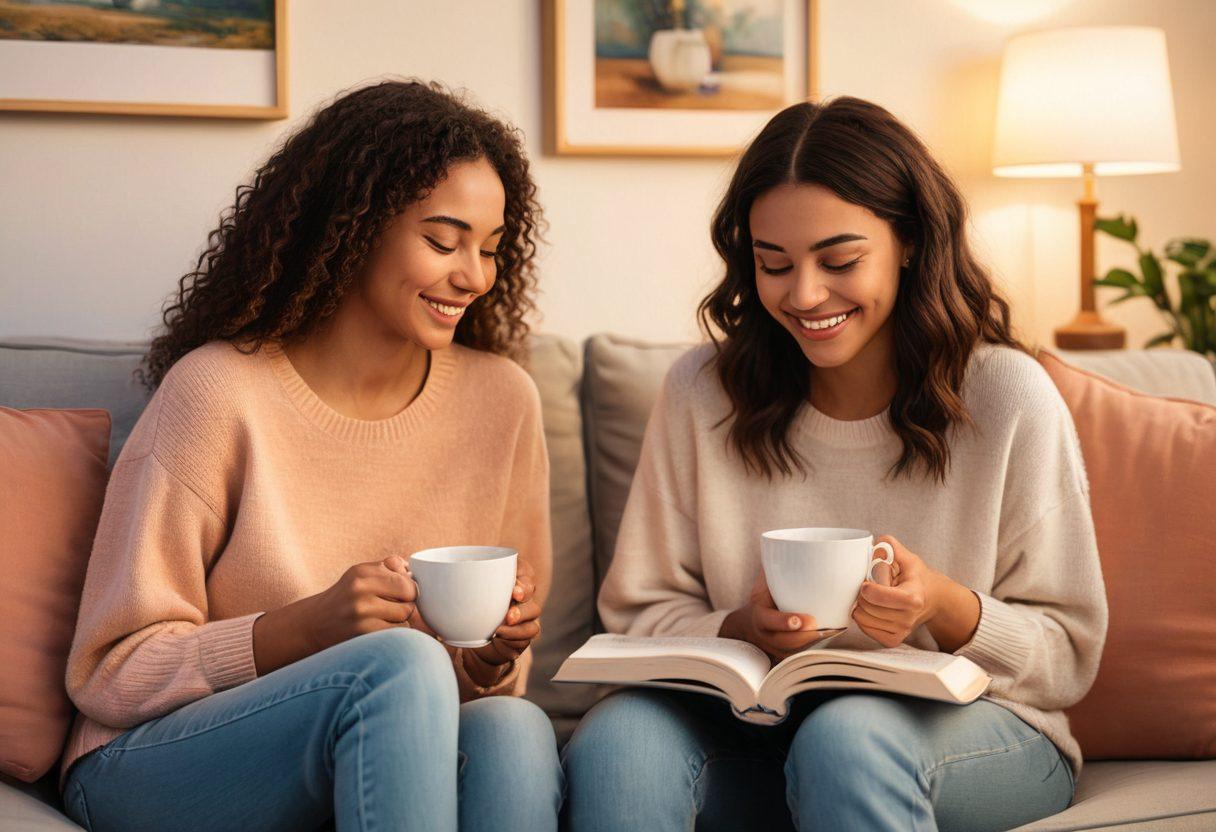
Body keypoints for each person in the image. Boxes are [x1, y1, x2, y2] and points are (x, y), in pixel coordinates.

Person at [562, 97, 1107, 832]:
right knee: (618, 742)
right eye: (774, 264)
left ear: (908, 240)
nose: (806, 294)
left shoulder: (1007, 396)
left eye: (840, 260)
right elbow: (635, 615)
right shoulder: (702, 393)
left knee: (845, 738)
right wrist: (739, 629)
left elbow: (1069, 651)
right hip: (758, 733)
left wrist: (944, 605)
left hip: (983, 735)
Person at [61, 80, 562, 832]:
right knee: (399, 661)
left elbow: (473, 687)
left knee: (513, 730)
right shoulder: (217, 392)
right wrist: (308, 626)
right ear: (353, 227)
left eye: (490, 249)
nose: (474, 276)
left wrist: (491, 660)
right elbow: (110, 673)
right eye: (442, 240)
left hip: (371, 742)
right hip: (148, 761)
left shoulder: (503, 403)